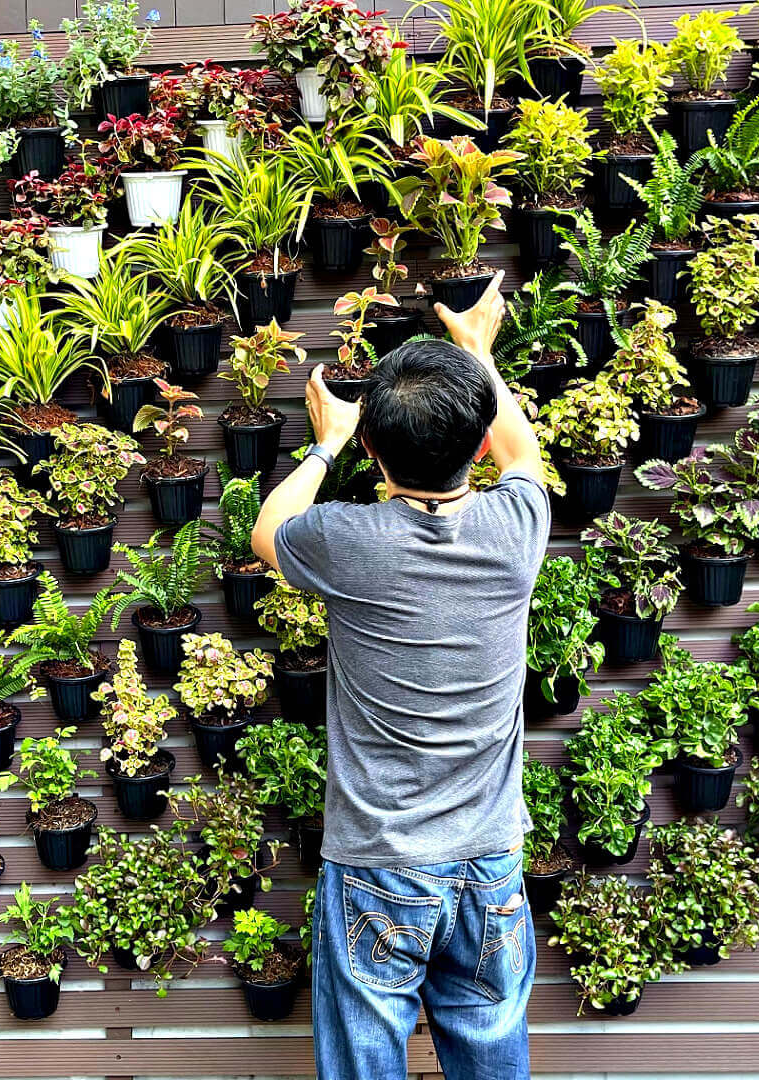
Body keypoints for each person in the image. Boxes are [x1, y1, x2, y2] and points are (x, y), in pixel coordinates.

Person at [250, 270, 546, 1080]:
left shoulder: (348, 541)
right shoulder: (518, 524)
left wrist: (327, 443)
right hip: (490, 864)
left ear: (375, 449)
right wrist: (477, 352)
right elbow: (520, 447)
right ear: (477, 446)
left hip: (380, 864)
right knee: (491, 1058)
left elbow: (267, 529)